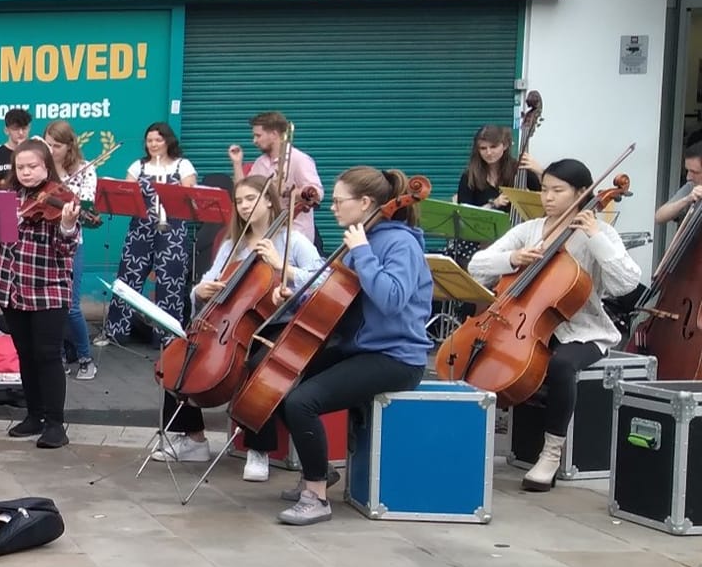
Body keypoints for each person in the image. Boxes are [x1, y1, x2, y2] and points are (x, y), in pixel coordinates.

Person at [267, 167, 433, 526]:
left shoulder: (398, 243)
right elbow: (334, 301)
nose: (333, 208)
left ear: (365, 203)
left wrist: (363, 252)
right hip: (359, 347)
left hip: (395, 356)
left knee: (302, 401)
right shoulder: (361, 239)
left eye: (340, 201)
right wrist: (295, 296)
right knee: (278, 385)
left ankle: (316, 497)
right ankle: (320, 471)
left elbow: (391, 299)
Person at [469, 158, 643, 491]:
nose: (547, 197)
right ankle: (469, 442)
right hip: (526, 326)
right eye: (545, 189)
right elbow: (477, 266)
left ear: (582, 193)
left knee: (562, 366)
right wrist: (512, 259)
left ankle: (551, 452)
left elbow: (625, 284)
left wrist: (595, 236)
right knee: (482, 357)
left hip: (583, 331)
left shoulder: (601, 233)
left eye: (557, 190)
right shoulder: (531, 230)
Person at [149, 175, 324, 480]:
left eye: (250, 199)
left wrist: (285, 270)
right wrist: (200, 291)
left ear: (269, 200)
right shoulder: (233, 244)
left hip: (277, 325)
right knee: (179, 354)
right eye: (239, 201)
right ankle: (192, 438)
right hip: (232, 324)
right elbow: (209, 280)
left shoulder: (293, 242)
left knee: (256, 366)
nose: (243, 206)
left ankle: (259, 450)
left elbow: (321, 280)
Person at [0, 140, 83, 447]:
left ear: (46, 166)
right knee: (26, 355)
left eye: (33, 167)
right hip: (12, 286)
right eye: (21, 168)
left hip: (47, 288)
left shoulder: (63, 198)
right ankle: (34, 415)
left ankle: (55, 424)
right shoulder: (7, 197)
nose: (27, 173)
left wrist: (68, 225)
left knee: (47, 355)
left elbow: (66, 249)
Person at [102, 123, 197, 345]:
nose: (153, 144)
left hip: (172, 231)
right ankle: (116, 331)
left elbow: (190, 195)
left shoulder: (183, 165)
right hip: (140, 229)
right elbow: (125, 194)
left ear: (168, 141)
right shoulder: (138, 166)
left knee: (170, 282)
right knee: (127, 279)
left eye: (158, 140)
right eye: (150, 140)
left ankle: (168, 336)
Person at [43, 120, 99, 380]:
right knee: (50, 306)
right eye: (48, 144)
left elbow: (85, 205)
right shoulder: (40, 167)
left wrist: (61, 189)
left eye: (56, 145)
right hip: (43, 242)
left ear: (69, 146)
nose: (51, 149)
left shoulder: (85, 170)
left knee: (71, 306)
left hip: (73, 242)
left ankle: (86, 358)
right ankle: (60, 356)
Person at [446, 124, 543, 265]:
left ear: (504, 145)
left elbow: (544, 199)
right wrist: (494, 204)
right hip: (481, 243)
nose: (488, 153)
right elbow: (465, 213)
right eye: (483, 148)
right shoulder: (469, 176)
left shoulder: (520, 171)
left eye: (493, 147)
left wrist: (540, 171)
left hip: (520, 238)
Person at [228, 112, 324, 247]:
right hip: (268, 235)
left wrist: (289, 192)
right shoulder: (260, 163)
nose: (254, 141)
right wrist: (237, 164)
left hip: (294, 236)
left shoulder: (299, 159)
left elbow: (317, 193)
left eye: (258, 135)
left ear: (273, 134)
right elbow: (242, 190)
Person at [655, 142, 702, 226]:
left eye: (694, 172)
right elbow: (659, 216)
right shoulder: (692, 187)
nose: (688, 177)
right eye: (688, 170)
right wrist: (687, 199)